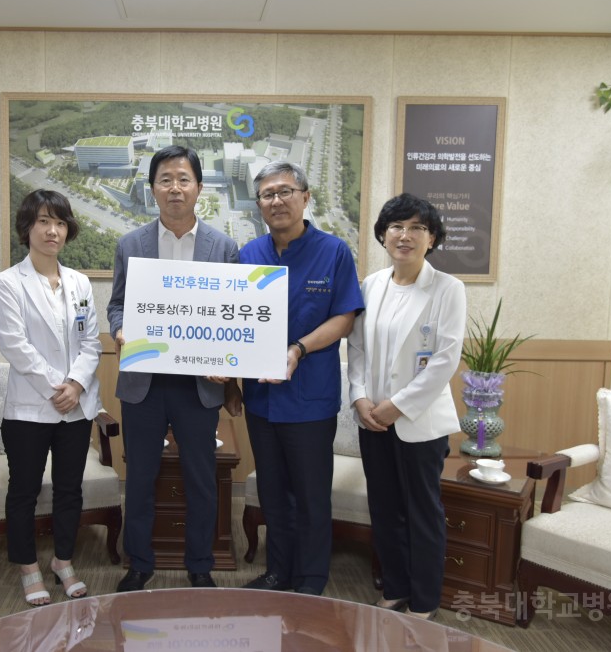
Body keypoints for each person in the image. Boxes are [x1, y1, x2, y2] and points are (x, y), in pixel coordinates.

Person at [225, 161, 364, 596]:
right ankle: (277, 572)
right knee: (272, 492)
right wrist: (230, 381)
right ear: (259, 205)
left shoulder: (334, 251)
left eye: (286, 191)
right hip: (262, 402)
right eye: (267, 194)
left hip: (310, 399)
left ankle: (309, 579)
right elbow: (230, 324)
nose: (277, 200)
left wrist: (298, 349)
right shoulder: (248, 255)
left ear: (305, 197)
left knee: (309, 495)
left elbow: (344, 318)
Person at [107, 145, 239, 591]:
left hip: (198, 385)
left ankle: (199, 564)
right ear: (152, 189)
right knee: (140, 477)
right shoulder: (131, 244)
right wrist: (122, 331)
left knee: (202, 479)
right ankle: (139, 562)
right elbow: (118, 306)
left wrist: (227, 363)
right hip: (144, 382)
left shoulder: (224, 247)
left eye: (184, 179)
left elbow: (233, 314)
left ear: (199, 187)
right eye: (165, 180)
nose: (175, 188)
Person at [346, 193, 466, 620]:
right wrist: (360, 398)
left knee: (422, 512)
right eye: (396, 226)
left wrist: (395, 406)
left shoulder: (448, 289)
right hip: (372, 419)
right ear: (383, 235)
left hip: (419, 423)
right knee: (384, 507)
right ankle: (395, 587)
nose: (405, 235)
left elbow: (444, 360)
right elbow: (356, 347)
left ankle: (425, 599)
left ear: (431, 238)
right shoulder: (370, 285)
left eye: (417, 228)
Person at [0, 190, 103, 607]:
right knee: (24, 489)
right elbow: (14, 346)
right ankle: (27, 568)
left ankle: (62, 561)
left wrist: (75, 386)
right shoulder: (8, 282)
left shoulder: (80, 282)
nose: (51, 230)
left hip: (76, 407)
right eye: (42, 221)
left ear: (67, 229)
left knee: (69, 489)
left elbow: (91, 341)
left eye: (58, 222)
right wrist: (58, 388)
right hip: (29, 408)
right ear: (27, 228)